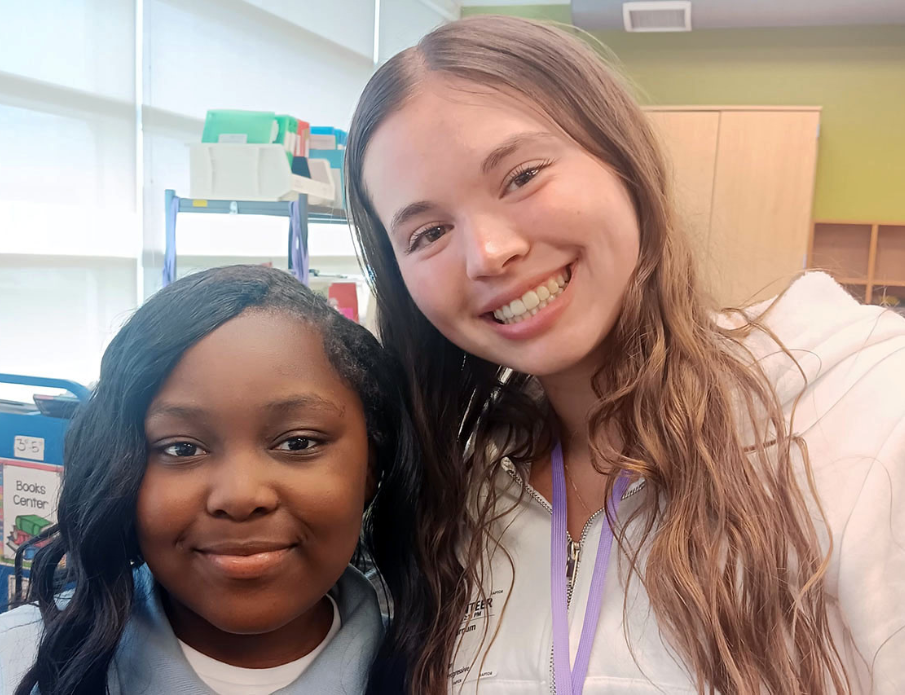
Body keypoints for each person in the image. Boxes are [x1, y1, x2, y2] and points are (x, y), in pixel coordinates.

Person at [344, 14, 905, 695]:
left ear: (621, 158)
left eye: (523, 176)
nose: (488, 253)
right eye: (428, 232)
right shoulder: (458, 489)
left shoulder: (862, 414)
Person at [0, 265, 424, 695]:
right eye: (182, 449)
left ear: (371, 466)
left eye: (297, 443)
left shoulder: (445, 674)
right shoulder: (7, 663)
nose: (240, 496)